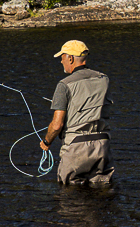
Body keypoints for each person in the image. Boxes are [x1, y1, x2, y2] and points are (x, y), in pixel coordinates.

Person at [42, 39, 113, 187]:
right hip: (102, 146)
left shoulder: (64, 85)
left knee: (69, 195)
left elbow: (56, 125)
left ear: (70, 58)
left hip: (76, 148)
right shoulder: (104, 79)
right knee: (101, 194)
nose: (61, 62)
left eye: (62, 57)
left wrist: (47, 142)